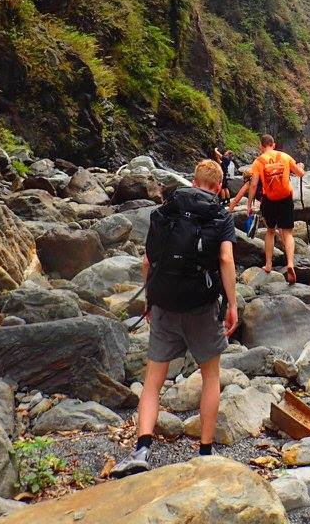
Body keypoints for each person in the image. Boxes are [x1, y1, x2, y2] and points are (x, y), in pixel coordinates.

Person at [111, 159, 238, 477]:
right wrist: (232, 304)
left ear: (194, 181)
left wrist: (150, 300)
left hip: (165, 304)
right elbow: (225, 259)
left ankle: (142, 449)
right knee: (211, 376)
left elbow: (147, 262)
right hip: (201, 307)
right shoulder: (221, 216)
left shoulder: (166, 211)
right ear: (219, 186)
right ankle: (206, 453)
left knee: (153, 382)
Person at [245, 134, 305, 283]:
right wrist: (301, 167)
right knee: (288, 233)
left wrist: (249, 203)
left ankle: (268, 264)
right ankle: (290, 264)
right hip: (285, 199)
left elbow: (253, 184)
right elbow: (300, 173)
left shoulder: (258, 161)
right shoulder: (284, 156)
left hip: (269, 200)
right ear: (274, 144)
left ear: (261, 146)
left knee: (270, 232)